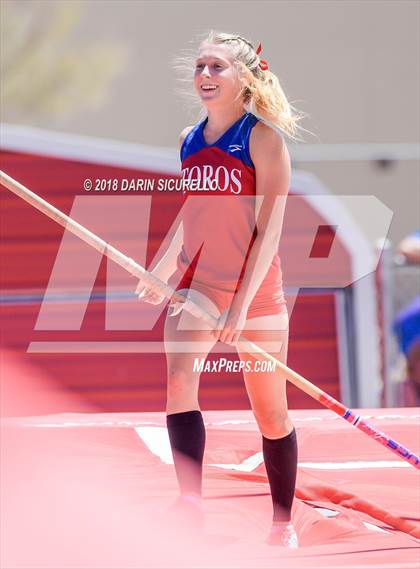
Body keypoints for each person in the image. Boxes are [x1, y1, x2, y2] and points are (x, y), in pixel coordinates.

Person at [136, 31, 305, 547]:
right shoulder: (190, 138)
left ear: (245, 78)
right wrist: (161, 269)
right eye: (201, 67)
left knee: (271, 412)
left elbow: (270, 230)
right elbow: (193, 208)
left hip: (258, 292)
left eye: (218, 68)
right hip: (203, 285)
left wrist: (241, 307)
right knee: (178, 380)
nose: (205, 76)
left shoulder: (264, 140)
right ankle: (189, 503)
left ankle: (282, 523)